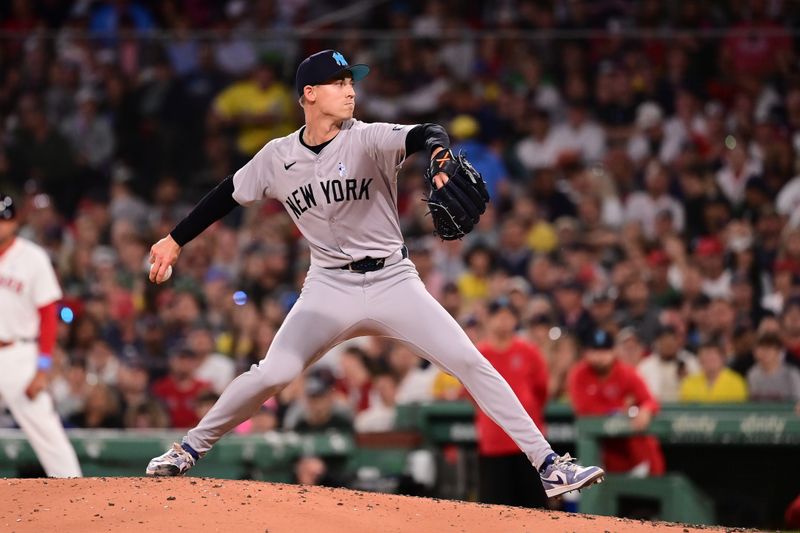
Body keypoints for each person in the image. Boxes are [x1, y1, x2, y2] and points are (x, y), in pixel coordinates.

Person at [144, 50, 603, 496]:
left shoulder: (367, 137)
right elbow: (226, 194)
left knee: (469, 361)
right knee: (272, 373)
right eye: (339, 83)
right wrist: (174, 239)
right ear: (309, 93)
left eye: (351, 82)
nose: (349, 91)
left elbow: (426, 131)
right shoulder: (276, 156)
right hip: (328, 286)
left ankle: (548, 465)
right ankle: (187, 450)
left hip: (393, 281)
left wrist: (440, 153)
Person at [0, 193, 82, 477]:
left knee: (48, 435)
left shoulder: (32, 258)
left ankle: (77, 493)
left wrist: (43, 367)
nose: (1, 226)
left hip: (19, 355)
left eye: (5, 220)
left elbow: (48, 316)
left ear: (16, 221)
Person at [474, 298, 549, 508]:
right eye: (498, 315)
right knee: (494, 511)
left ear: (516, 319)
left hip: (528, 446)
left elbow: (542, 390)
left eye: (508, 315)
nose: (503, 320)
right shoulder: (479, 354)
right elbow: (472, 394)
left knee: (535, 508)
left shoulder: (529, 352)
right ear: (488, 320)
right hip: (494, 442)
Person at [568, 329, 665, 476]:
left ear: (613, 351)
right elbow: (585, 409)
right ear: (586, 352)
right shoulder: (579, 374)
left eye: (604, 350)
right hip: (598, 453)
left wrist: (645, 410)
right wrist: (620, 409)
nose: (600, 356)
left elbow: (650, 401)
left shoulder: (627, 373)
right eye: (595, 350)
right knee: (573, 492)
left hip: (632, 454)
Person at [680, 340, 748, 403]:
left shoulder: (737, 382)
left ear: (722, 358)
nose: (709, 361)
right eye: (705, 357)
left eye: (713, 357)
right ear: (699, 360)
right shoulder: (689, 383)